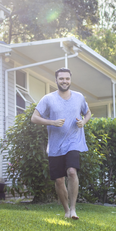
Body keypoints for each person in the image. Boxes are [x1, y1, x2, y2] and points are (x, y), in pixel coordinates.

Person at [31, 68, 92, 219]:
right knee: (59, 180)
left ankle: (73, 209)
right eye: (61, 79)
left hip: (73, 142)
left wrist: (83, 122)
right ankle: (66, 210)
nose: (64, 81)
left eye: (67, 78)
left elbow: (88, 113)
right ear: (56, 80)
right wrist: (52, 122)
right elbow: (34, 118)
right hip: (55, 146)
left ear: (70, 80)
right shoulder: (48, 99)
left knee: (72, 172)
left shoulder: (79, 97)